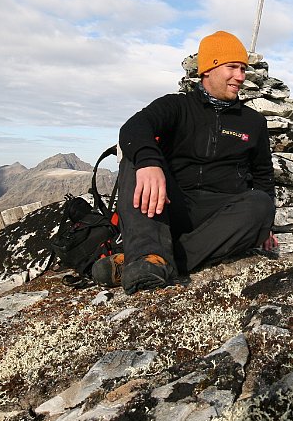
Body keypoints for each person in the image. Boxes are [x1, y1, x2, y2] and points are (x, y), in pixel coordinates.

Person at [93, 30, 277, 294]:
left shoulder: (253, 122)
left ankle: (150, 262)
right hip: (169, 205)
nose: (240, 77)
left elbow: (263, 177)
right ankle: (147, 254)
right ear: (208, 70)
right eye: (232, 67)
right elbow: (134, 127)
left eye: (243, 69)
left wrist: (265, 227)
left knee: (260, 204)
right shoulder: (176, 106)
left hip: (218, 216)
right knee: (136, 161)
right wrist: (149, 163)